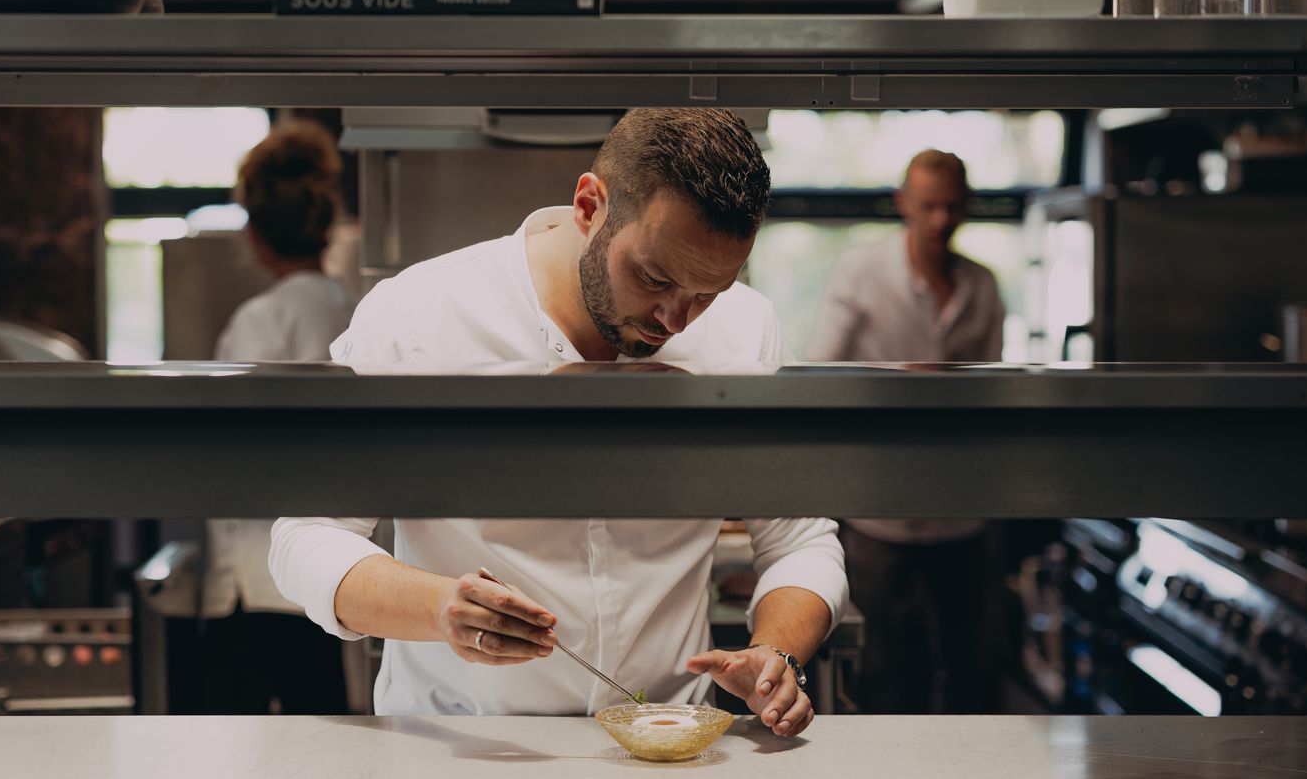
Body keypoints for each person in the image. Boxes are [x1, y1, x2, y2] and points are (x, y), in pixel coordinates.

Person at [270, 108, 847, 736]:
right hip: (457, 747)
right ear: (589, 206)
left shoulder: (747, 331)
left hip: (666, 744)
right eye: (654, 278)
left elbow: (800, 541)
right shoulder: (418, 317)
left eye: (709, 292)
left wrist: (776, 653)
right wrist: (437, 607)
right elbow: (307, 535)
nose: (676, 320)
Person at [804, 148, 1006, 713]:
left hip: (962, 509)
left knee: (970, 664)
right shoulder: (861, 271)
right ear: (904, 204)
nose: (941, 220)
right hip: (878, 510)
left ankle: (967, 768)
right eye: (929, 206)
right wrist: (897, 379)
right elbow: (818, 372)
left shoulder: (983, 285)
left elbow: (994, 389)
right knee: (879, 667)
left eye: (952, 207)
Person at [166, 120, 355, 715]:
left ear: (256, 233)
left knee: (242, 744)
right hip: (335, 570)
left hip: (260, 576)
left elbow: (229, 446)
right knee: (325, 728)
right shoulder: (353, 307)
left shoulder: (260, 320)